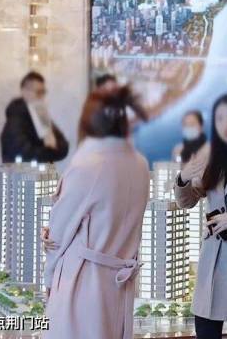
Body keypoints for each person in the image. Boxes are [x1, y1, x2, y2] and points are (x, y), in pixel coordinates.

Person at [41, 86, 150, 339]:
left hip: (81, 284)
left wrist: (49, 280)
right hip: (119, 285)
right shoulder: (140, 165)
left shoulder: (88, 165)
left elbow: (58, 234)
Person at [173, 93, 227, 339]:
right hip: (212, 261)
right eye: (219, 118)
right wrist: (183, 177)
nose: (226, 124)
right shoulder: (210, 154)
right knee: (206, 330)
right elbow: (187, 202)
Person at [0, 71, 69, 163]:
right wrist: (50, 150)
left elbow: (64, 147)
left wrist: (53, 146)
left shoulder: (42, 116)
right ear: (24, 91)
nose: (42, 96)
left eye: (43, 92)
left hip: (46, 171)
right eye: (38, 92)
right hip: (23, 172)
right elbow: (22, 153)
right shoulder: (15, 119)